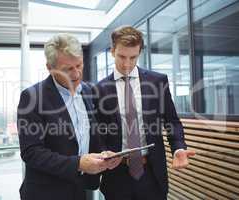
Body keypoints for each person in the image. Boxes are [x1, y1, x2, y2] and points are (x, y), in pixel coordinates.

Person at [94, 26, 195, 200]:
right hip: (116, 176)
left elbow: (171, 121)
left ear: (140, 52)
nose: (127, 64)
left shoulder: (157, 81)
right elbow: (96, 132)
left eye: (133, 57)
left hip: (152, 174)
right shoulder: (99, 89)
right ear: (112, 51)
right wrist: (103, 152)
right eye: (121, 56)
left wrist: (178, 147)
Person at [17, 33, 120, 200]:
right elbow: (31, 152)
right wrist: (78, 163)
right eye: (68, 69)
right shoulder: (32, 97)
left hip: (80, 190)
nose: (76, 74)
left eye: (79, 65)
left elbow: (90, 135)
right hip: (45, 193)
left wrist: (104, 155)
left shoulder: (88, 91)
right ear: (50, 67)